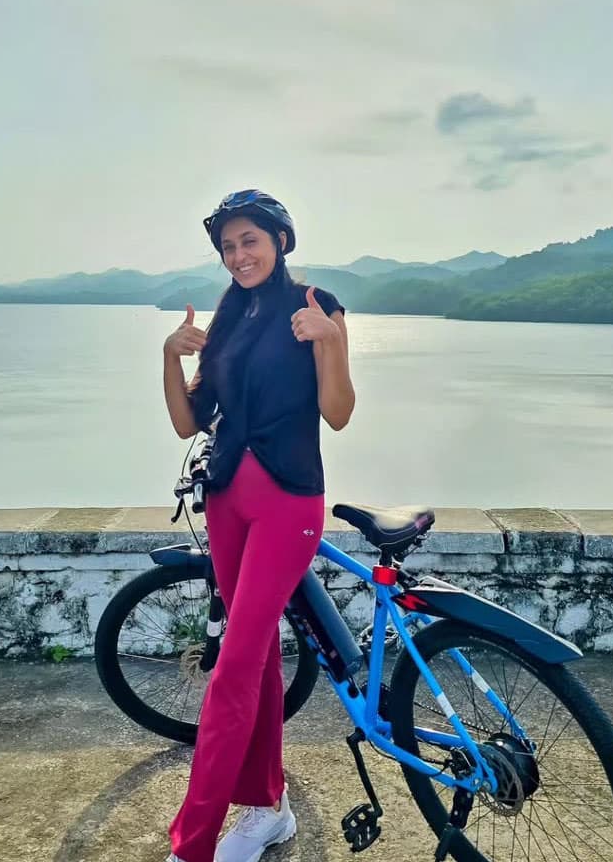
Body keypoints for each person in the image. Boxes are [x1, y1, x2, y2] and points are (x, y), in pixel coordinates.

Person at [162, 189, 355, 862]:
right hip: (227, 502)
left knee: (234, 668)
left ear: (279, 240)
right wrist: (170, 356)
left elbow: (338, 414)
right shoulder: (231, 318)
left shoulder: (316, 305)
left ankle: (192, 846)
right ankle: (264, 810)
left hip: (287, 503)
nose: (239, 255)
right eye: (228, 246)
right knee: (261, 660)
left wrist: (328, 343)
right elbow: (189, 422)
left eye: (250, 240)